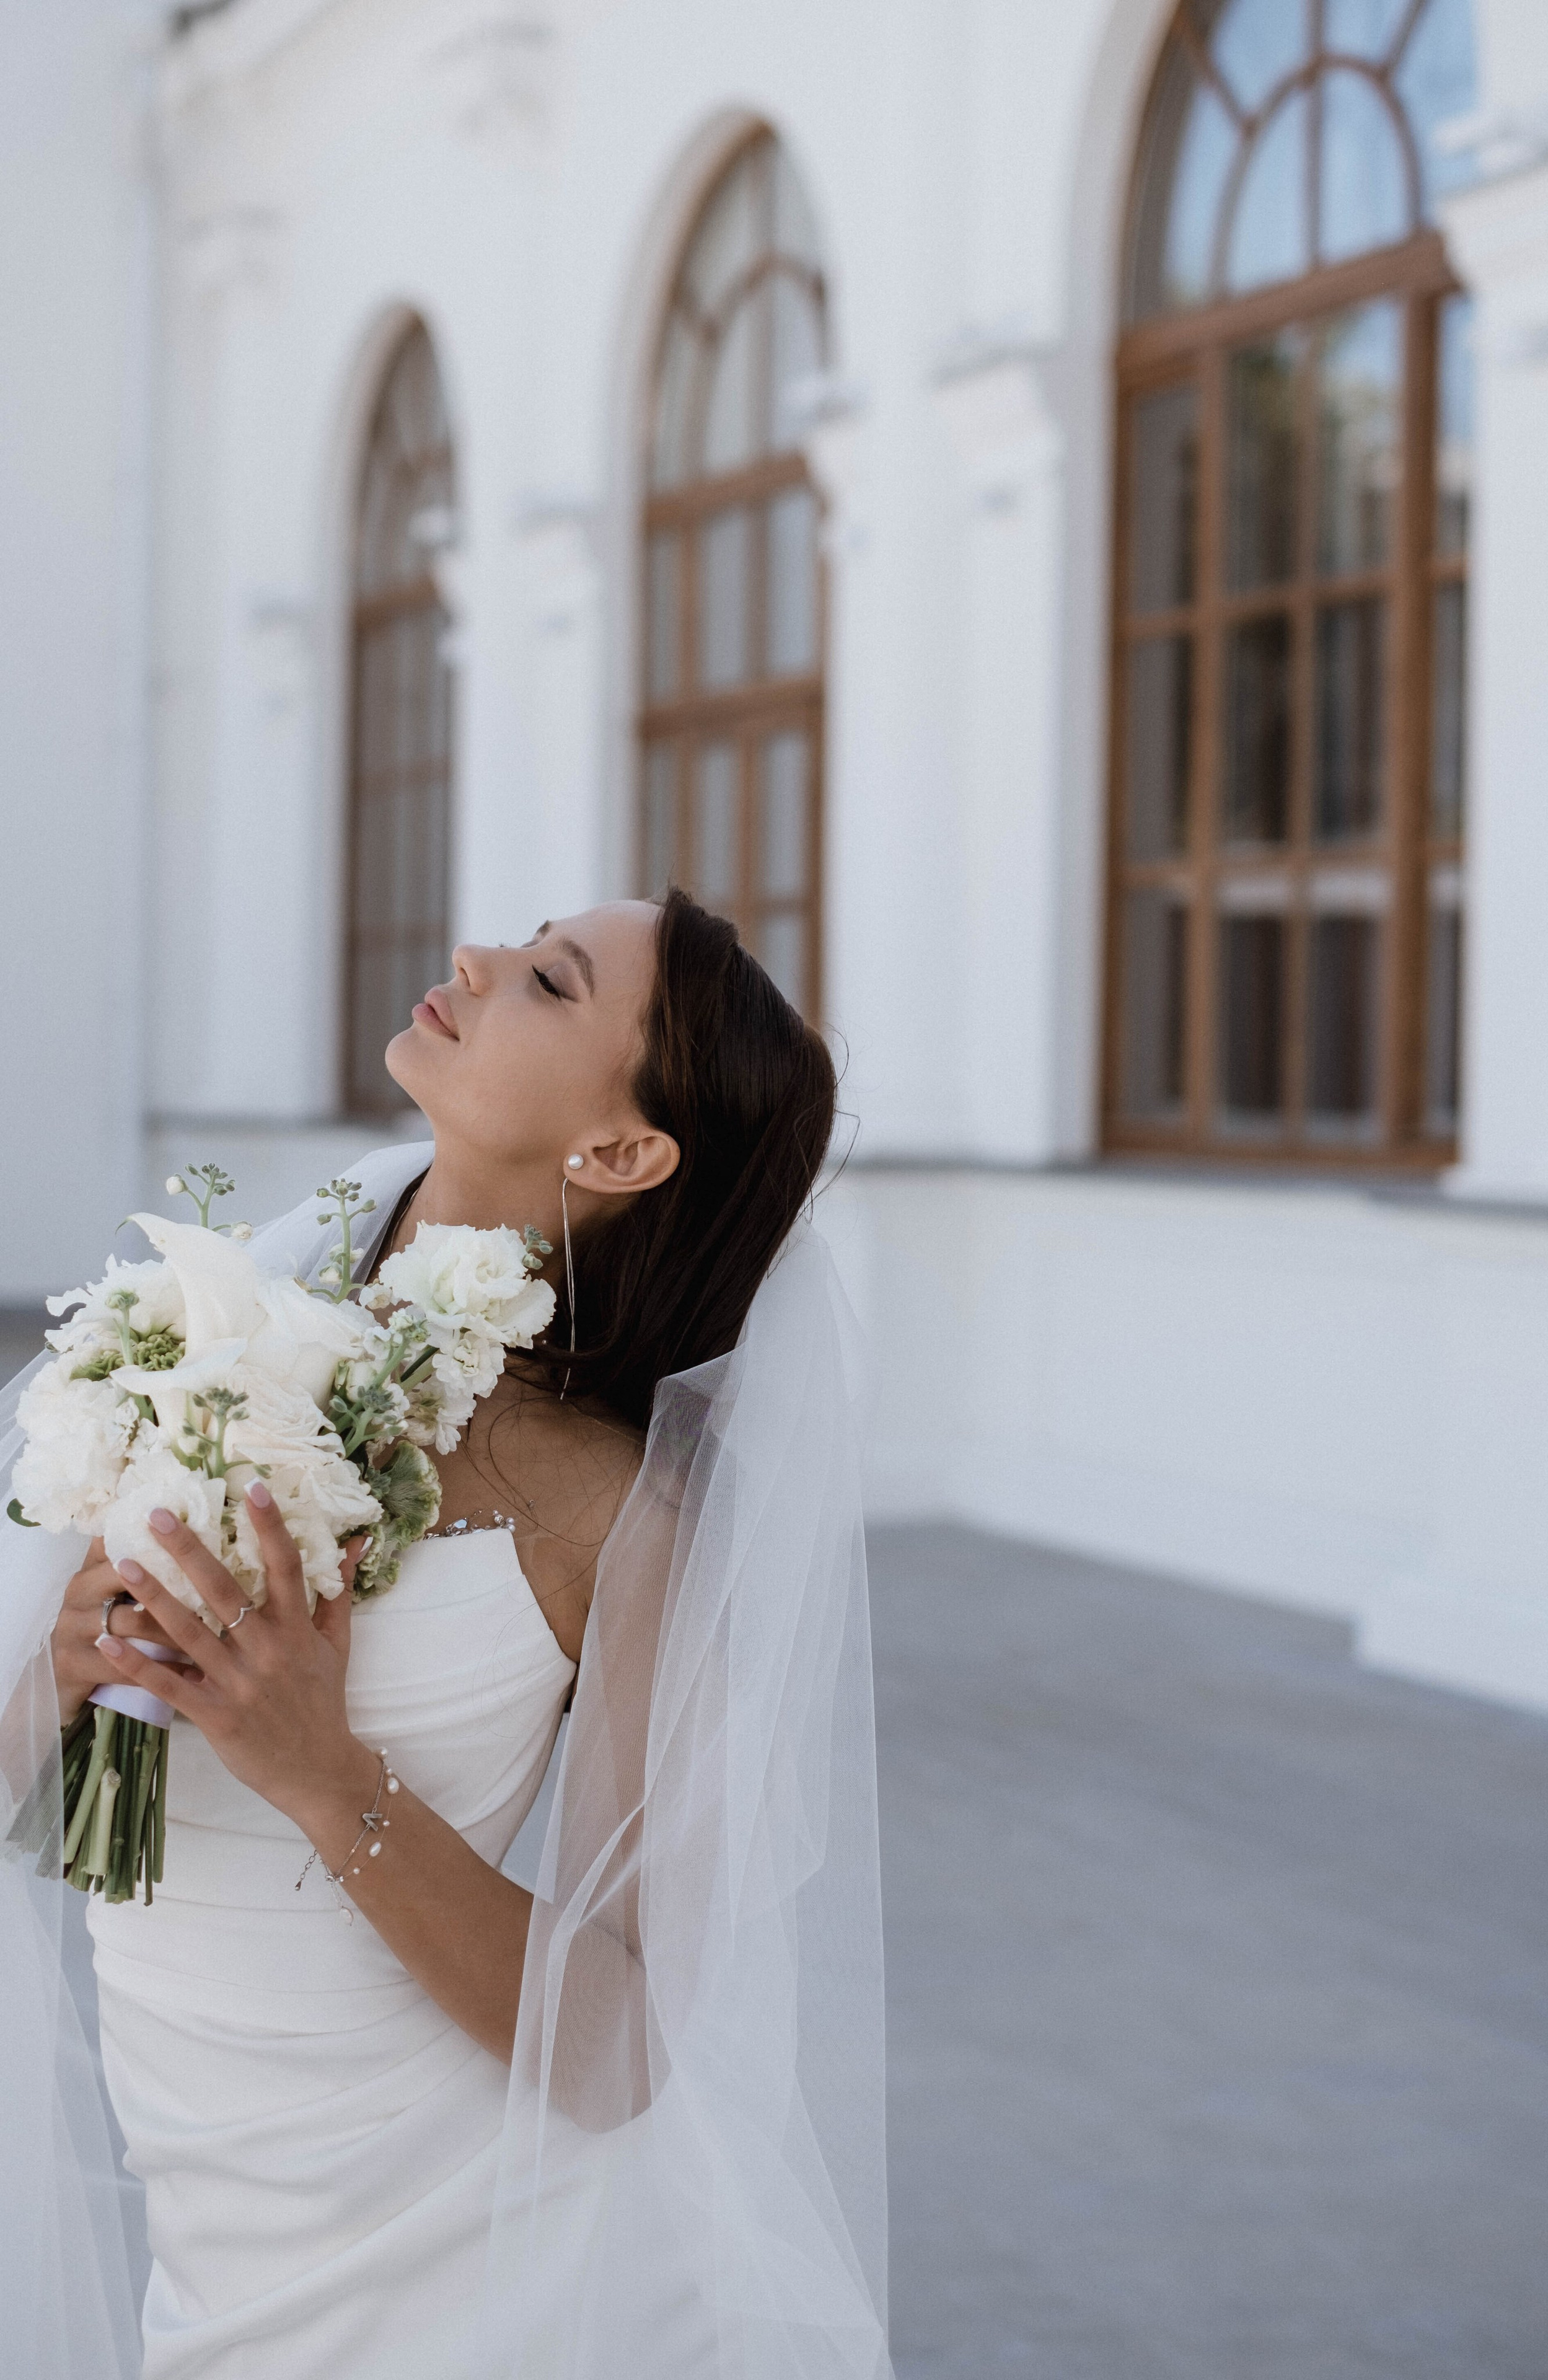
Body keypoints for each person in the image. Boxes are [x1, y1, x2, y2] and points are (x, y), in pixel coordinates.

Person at [2, 891, 892, 2379]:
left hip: (469, 2262)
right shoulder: (218, 1341)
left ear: (619, 1152)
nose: (475, 960)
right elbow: (37, 1800)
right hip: (204, 2201)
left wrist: (321, 1770)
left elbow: (617, 2051)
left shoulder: (625, 1515)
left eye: (548, 981)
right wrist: (64, 1668)